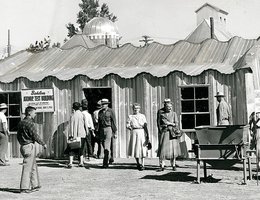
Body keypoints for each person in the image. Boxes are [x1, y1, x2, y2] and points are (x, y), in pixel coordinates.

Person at [17, 106, 47, 193]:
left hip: (23, 145)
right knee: (27, 167)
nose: (35, 114)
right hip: (29, 145)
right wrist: (43, 143)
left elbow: (18, 136)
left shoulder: (21, 123)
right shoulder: (30, 123)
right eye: (34, 112)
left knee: (32, 165)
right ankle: (24, 187)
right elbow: (35, 135)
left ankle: (35, 184)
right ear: (29, 113)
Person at [157, 99, 181, 171]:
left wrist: (170, 123)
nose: (169, 108)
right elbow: (160, 123)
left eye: (170, 106)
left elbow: (176, 123)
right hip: (165, 132)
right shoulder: (161, 114)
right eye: (168, 106)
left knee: (173, 149)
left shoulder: (174, 114)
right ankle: (162, 165)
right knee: (163, 148)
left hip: (172, 133)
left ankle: (173, 164)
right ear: (165, 106)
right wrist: (162, 128)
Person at [126, 103, 149, 171]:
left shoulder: (142, 116)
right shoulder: (130, 116)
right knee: (135, 147)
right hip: (134, 132)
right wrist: (130, 127)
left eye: (137, 108)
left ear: (139, 109)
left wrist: (147, 134)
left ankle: (143, 163)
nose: (136, 110)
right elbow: (127, 125)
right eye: (135, 108)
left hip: (141, 131)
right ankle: (138, 163)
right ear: (133, 109)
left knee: (142, 147)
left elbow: (145, 125)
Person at [67, 102, 88, 168]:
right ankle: (81, 162)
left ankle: (70, 163)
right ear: (79, 107)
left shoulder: (72, 115)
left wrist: (70, 135)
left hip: (74, 135)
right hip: (82, 134)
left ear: (73, 108)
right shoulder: (82, 115)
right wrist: (87, 132)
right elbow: (86, 125)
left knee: (72, 148)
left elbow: (70, 126)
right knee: (81, 148)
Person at [98, 98, 117, 168]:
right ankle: (110, 158)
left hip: (109, 129)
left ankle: (105, 163)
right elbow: (99, 123)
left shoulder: (111, 111)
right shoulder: (100, 112)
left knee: (106, 146)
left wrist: (115, 132)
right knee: (103, 145)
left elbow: (114, 121)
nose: (103, 105)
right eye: (102, 104)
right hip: (101, 130)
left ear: (107, 104)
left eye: (104, 104)